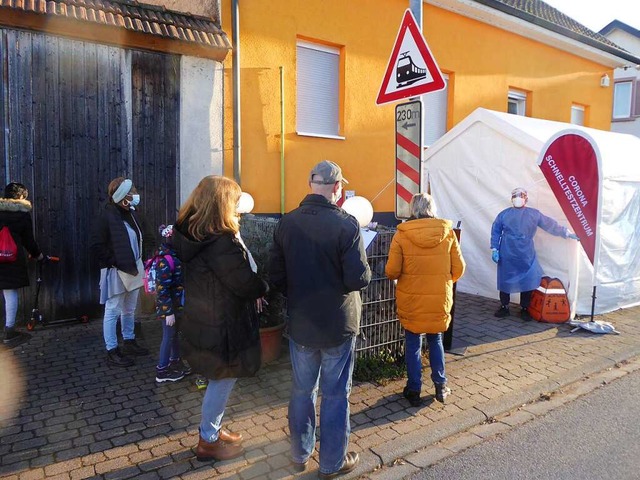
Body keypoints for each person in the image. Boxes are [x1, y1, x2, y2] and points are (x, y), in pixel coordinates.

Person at [269, 160, 372, 478]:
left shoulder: (287, 222)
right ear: (338, 187)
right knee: (336, 394)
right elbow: (358, 279)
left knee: (302, 391)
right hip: (338, 323)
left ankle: (299, 455)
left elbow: (275, 276)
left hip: (302, 322)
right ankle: (331, 463)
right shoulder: (347, 225)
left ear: (311, 184)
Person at [172, 175, 268, 462]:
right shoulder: (220, 241)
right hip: (223, 324)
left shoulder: (192, 232)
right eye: (234, 200)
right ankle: (209, 439)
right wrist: (263, 285)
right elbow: (244, 283)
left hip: (205, 318)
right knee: (223, 379)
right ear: (222, 203)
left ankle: (212, 428)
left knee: (219, 378)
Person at [385, 193, 465, 406]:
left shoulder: (401, 235)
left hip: (411, 299)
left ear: (413, 209)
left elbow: (392, 271)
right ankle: (440, 385)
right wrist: (444, 282)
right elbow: (459, 268)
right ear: (432, 208)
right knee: (436, 339)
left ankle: (413, 390)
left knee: (413, 343)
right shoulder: (447, 233)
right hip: (438, 298)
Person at [90, 177, 154, 367]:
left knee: (130, 307)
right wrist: (115, 262)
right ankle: (112, 350)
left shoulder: (133, 214)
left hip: (134, 268)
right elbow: (97, 245)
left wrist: (142, 259)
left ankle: (129, 340)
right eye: (132, 190)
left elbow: (144, 237)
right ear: (123, 196)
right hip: (116, 270)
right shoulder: (106, 217)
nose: (135, 194)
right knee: (112, 309)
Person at [490, 187, 579, 321]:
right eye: (515, 196)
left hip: (526, 253)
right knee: (505, 279)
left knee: (527, 279)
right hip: (507, 251)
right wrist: (495, 249)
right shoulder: (504, 215)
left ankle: (525, 308)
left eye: (521, 196)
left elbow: (550, 225)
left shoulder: (534, 214)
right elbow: (496, 231)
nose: (518, 198)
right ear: (511, 198)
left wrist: (566, 233)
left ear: (526, 198)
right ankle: (504, 306)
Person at [0, 183, 43, 343]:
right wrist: (38, 255)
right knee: (10, 293)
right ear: (21, 196)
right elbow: (28, 241)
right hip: (11, 258)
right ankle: (9, 331)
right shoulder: (22, 214)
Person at [152, 224, 190, 383]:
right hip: (168, 308)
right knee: (168, 336)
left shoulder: (174, 255)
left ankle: (175, 361)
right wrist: (168, 312)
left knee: (174, 334)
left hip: (176, 306)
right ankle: (162, 370)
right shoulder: (167, 260)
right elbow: (163, 289)